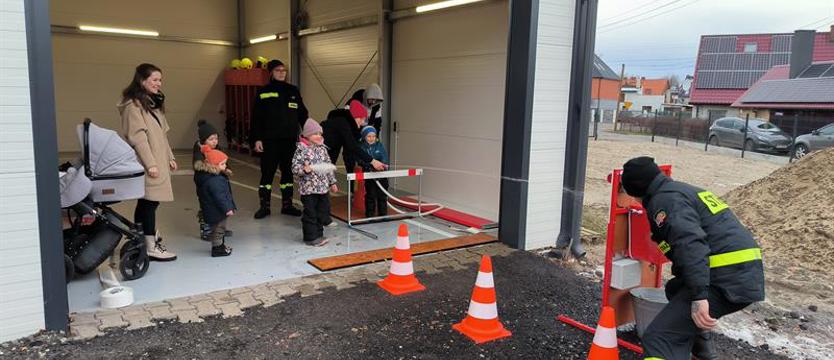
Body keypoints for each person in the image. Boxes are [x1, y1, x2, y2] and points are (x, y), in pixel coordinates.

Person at [620, 157, 764, 360]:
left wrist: (699, 296)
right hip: (741, 272)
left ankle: (687, 345)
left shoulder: (665, 202)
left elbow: (690, 245)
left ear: (637, 190)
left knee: (659, 339)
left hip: (727, 279)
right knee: (675, 289)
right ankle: (702, 349)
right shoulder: (681, 191)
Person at [119, 63, 177, 261]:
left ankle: (143, 238)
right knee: (149, 202)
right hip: (148, 162)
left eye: (160, 80)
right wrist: (150, 164)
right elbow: (138, 138)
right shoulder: (133, 106)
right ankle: (150, 245)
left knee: (148, 202)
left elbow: (162, 135)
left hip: (158, 160)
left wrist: (170, 157)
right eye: (154, 80)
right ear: (142, 81)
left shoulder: (152, 104)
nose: (158, 84)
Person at [250, 59, 308, 219]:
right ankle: (264, 206)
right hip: (270, 141)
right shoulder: (263, 92)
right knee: (267, 173)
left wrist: (311, 132)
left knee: (288, 174)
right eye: (278, 70)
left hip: (289, 141)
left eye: (284, 70)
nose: (282, 73)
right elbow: (256, 118)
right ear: (271, 73)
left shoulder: (293, 91)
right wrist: (257, 139)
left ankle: (287, 205)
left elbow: (303, 114)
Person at [292, 119, 338, 246]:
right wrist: (304, 170)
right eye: (315, 134)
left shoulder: (323, 149)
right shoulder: (301, 150)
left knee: (322, 212)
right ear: (307, 135)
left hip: (323, 188)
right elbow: (295, 169)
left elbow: (328, 167)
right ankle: (311, 237)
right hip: (309, 190)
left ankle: (319, 234)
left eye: (320, 134)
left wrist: (332, 183)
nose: (319, 136)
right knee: (310, 213)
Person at [323, 100, 386, 182]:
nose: (363, 123)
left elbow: (337, 149)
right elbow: (352, 146)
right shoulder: (343, 124)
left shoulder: (345, 124)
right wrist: (372, 161)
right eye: (362, 119)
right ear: (356, 117)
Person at [193, 120, 233, 241]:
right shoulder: (200, 150)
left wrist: (226, 169)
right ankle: (206, 230)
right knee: (207, 208)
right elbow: (200, 166)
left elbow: (224, 162)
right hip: (205, 185)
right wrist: (217, 169)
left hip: (218, 184)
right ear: (204, 140)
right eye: (211, 139)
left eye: (216, 138)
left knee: (219, 207)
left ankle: (218, 229)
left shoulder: (218, 148)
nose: (214, 141)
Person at [194, 145, 236, 257]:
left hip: (212, 209)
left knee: (218, 229)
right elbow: (220, 197)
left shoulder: (210, 176)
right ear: (214, 165)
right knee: (219, 229)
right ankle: (217, 248)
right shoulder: (215, 180)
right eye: (222, 164)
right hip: (217, 210)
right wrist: (228, 209)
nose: (225, 166)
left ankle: (221, 246)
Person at [359, 126, 390, 218]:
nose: (371, 138)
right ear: (364, 137)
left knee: (382, 195)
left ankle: (383, 215)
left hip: (382, 175)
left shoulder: (379, 146)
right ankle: (369, 215)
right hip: (369, 176)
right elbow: (360, 160)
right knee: (371, 195)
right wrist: (369, 166)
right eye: (369, 136)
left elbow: (384, 157)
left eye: (373, 136)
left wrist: (383, 165)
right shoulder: (362, 148)